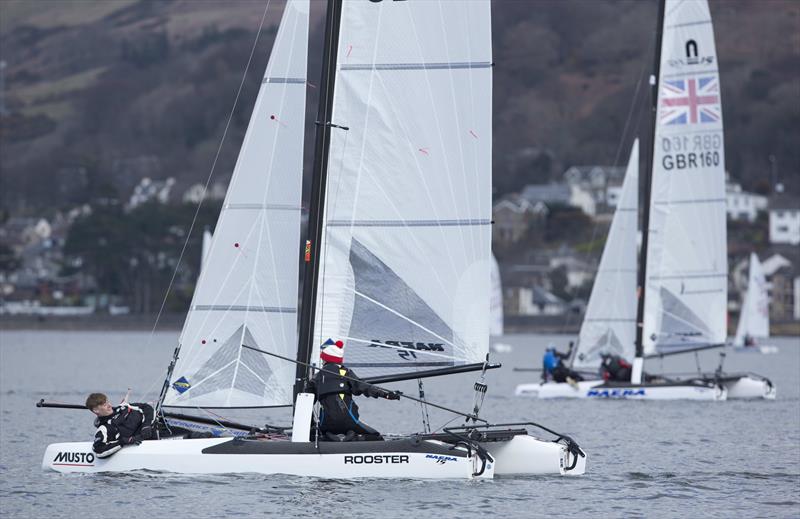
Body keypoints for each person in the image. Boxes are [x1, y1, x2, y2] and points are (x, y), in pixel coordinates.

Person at [307, 339, 399, 441]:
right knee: (376, 436)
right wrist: (386, 394)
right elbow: (365, 387)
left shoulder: (316, 378)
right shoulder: (346, 373)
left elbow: (305, 402)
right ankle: (354, 437)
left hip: (327, 424)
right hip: (349, 422)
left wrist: (311, 426)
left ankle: (328, 437)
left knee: (312, 436)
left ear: (325, 360)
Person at [85, 391, 155, 458]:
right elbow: (99, 451)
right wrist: (124, 441)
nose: (109, 405)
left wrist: (146, 425)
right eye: (104, 405)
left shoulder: (124, 407)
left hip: (156, 426)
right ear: (96, 410)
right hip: (152, 440)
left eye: (107, 402)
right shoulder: (105, 428)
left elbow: (146, 407)